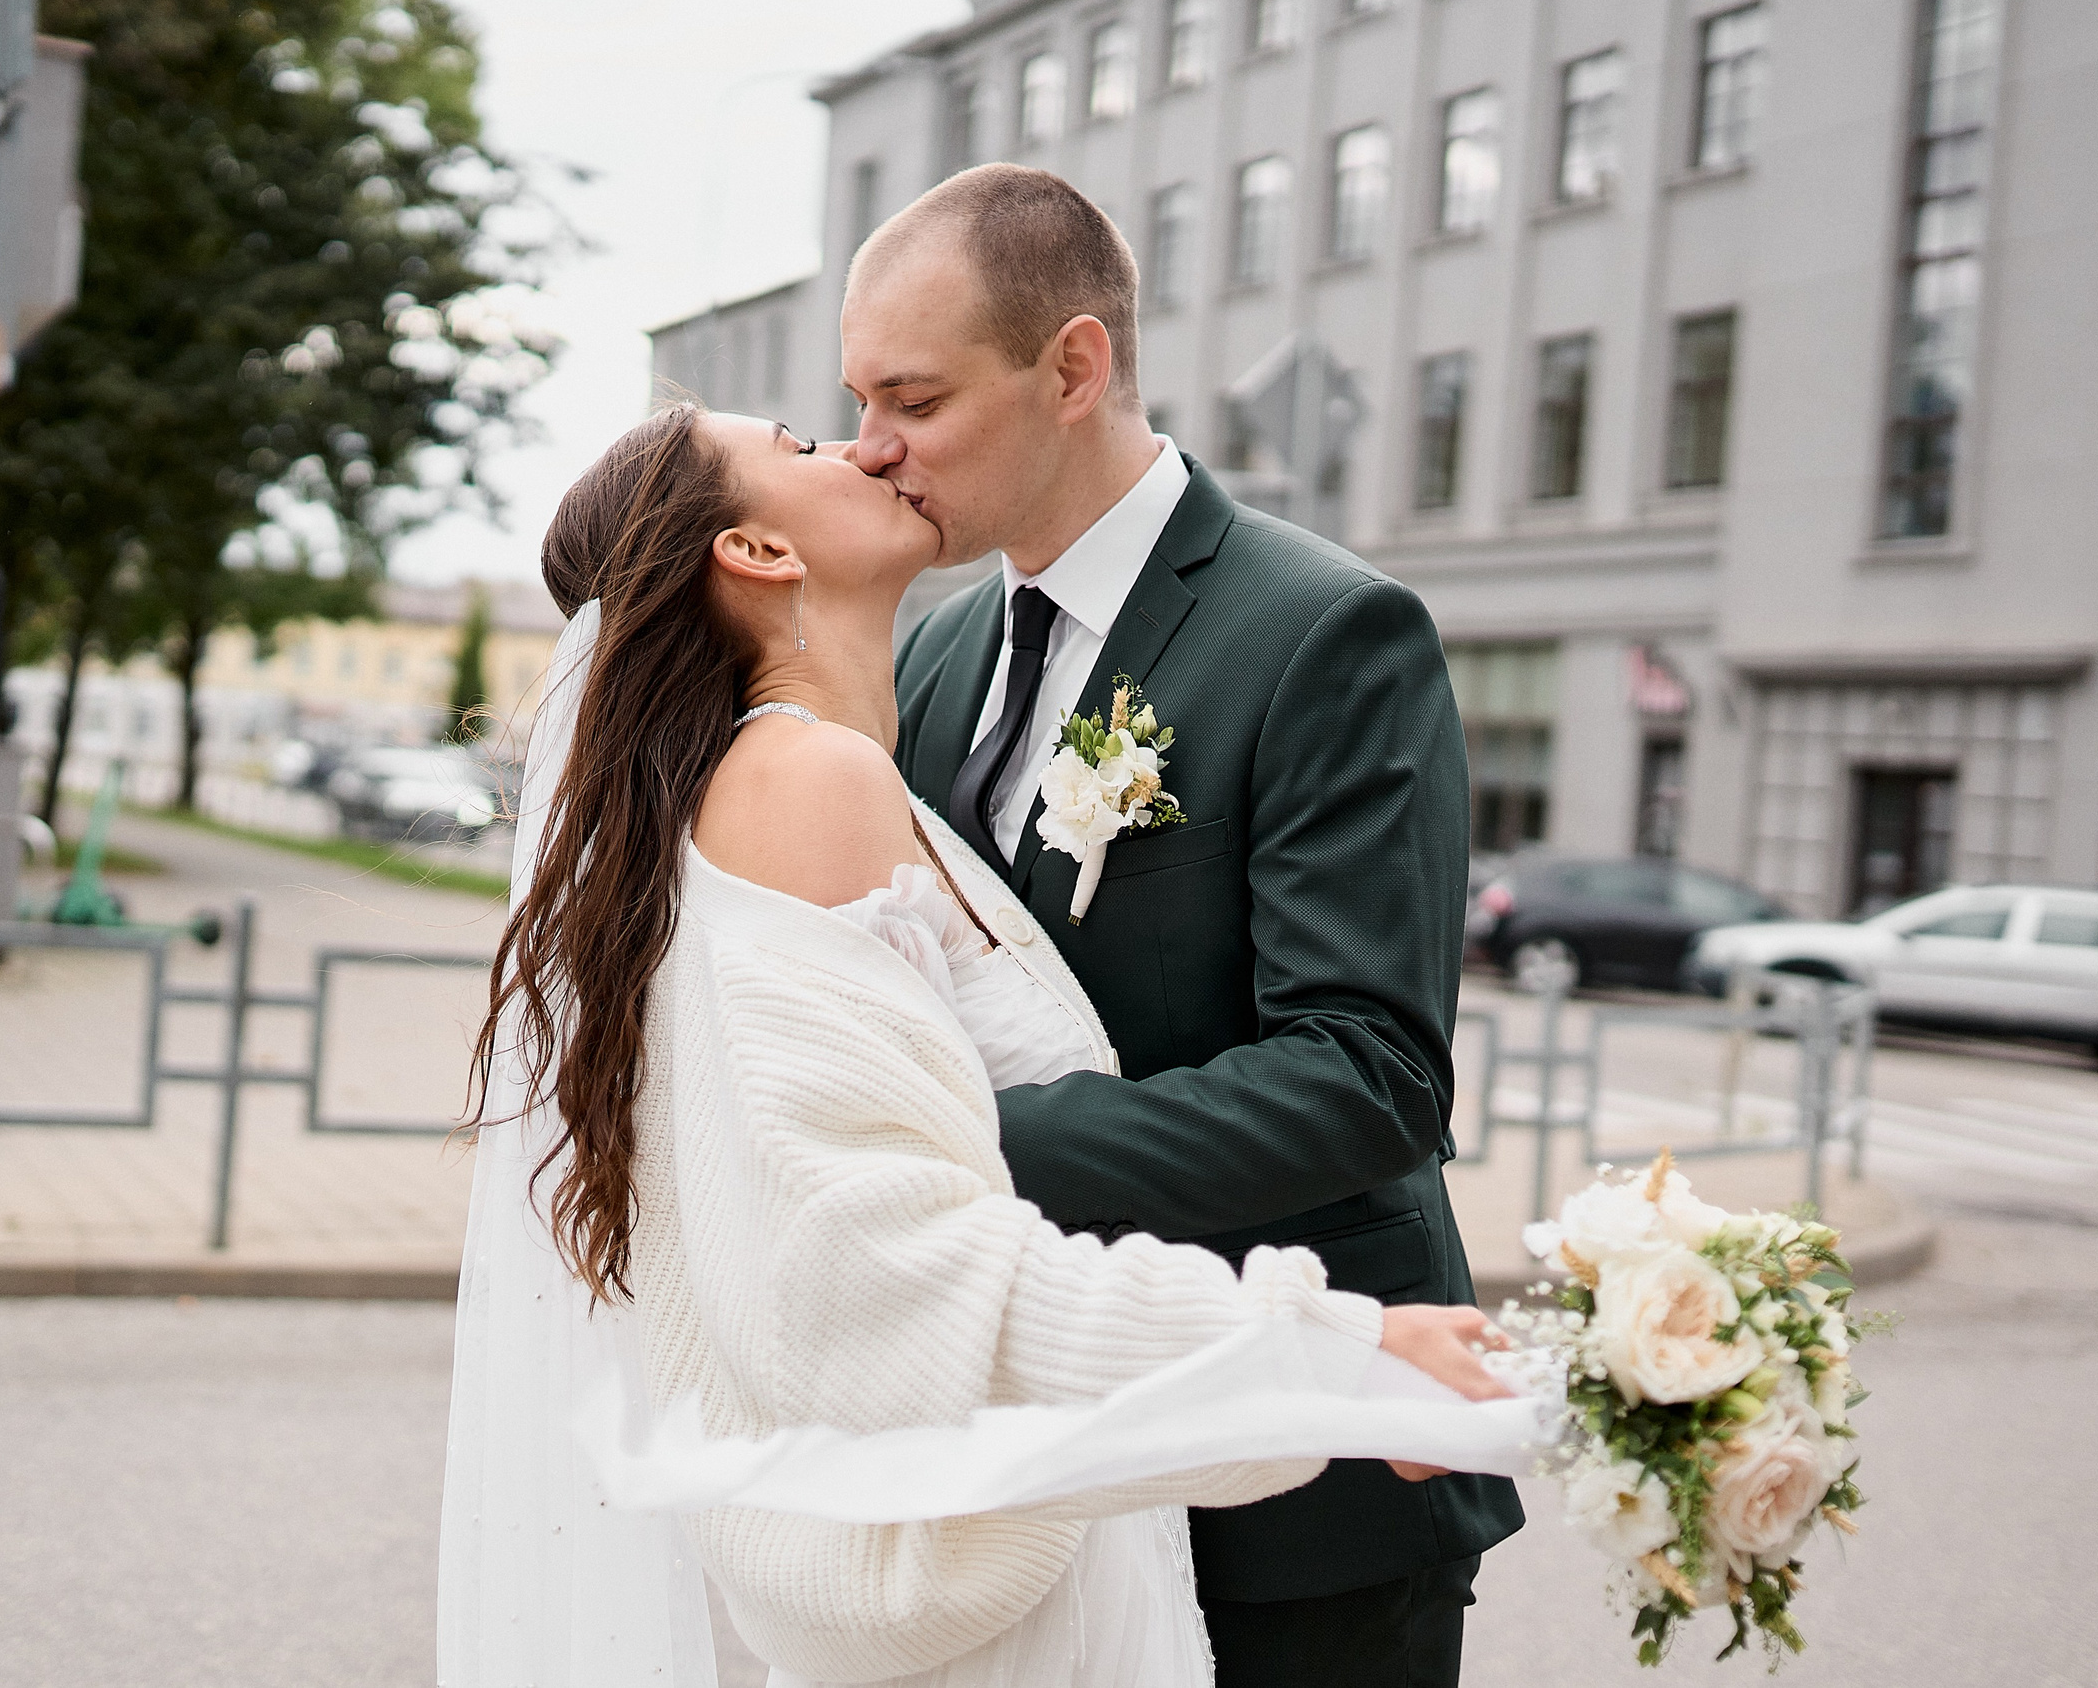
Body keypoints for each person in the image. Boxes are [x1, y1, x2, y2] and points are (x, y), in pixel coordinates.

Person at [435, 400, 1560, 1688]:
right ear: (757, 553)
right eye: (806, 443)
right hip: (1001, 1565)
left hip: (1065, 1512)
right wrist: (1322, 1356)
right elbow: (891, 1256)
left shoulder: (856, 761)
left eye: (902, 403)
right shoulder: (808, 785)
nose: (862, 446)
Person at [850, 164, 1522, 1688]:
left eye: (914, 397)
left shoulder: (1327, 631)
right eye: (860, 399)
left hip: (1309, 1488)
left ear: (1072, 367)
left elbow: (1368, 1074)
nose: (874, 447)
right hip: (1050, 1459)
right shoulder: (939, 647)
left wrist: (950, 1164)